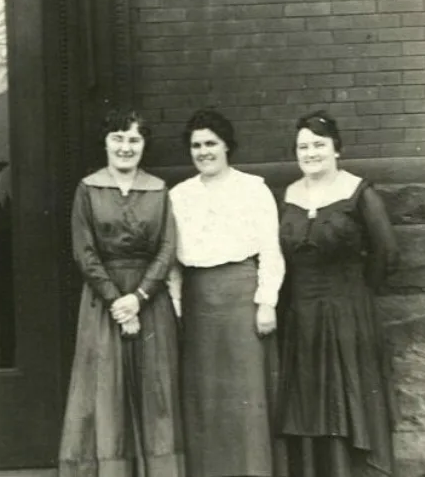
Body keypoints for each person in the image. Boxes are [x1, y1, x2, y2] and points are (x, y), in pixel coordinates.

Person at [59, 110, 183, 477]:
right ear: (106, 142)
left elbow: (167, 247)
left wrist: (140, 297)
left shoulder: (158, 190)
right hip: (104, 302)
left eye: (134, 140)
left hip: (149, 302)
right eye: (118, 138)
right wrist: (117, 300)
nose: (125, 147)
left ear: (144, 145)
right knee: (104, 391)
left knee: (154, 389)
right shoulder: (88, 189)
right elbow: (84, 251)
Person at [277, 111, 397, 477]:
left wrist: (357, 294)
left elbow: (387, 252)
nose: (310, 153)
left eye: (318, 145)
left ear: (336, 149)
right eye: (303, 146)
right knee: (309, 404)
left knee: (347, 399)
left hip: (348, 315)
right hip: (302, 318)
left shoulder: (359, 192)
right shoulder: (288, 194)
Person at [169, 109, 286, 477]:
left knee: (245, 397)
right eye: (196, 145)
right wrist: (176, 307)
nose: (203, 152)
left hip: (241, 299)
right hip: (198, 302)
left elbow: (271, 249)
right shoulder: (179, 195)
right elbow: (172, 262)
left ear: (226, 147)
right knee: (205, 400)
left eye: (211, 143)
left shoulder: (253, 188)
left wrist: (266, 301)